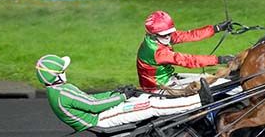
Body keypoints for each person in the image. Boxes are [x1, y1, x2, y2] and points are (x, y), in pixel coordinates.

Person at [36, 54, 212, 131]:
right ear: (57, 75)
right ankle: (199, 101)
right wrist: (122, 97)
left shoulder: (59, 91)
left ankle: (191, 99)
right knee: (151, 104)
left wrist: (115, 93)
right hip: (101, 119)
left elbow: (90, 99)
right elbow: (94, 106)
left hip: (102, 114)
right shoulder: (63, 93)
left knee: (146, 97)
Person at [137, 10, 234, 92]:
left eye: (169, 33)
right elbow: (187, 60)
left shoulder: (156, 38)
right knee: (210, 84)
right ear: (153, 34)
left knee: (209, 78)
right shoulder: (156, 52)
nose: (168, 36)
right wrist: (219, 59)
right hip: (157, 87)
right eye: (164, 34)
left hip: (168, 77)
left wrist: (216, 28)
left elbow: (189, 35)